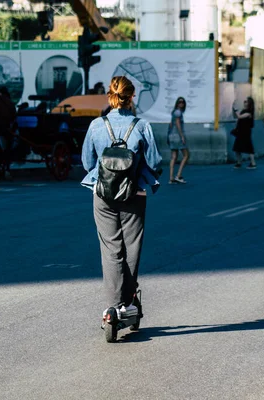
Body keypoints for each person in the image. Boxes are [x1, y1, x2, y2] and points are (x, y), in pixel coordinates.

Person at [81, 76, 162, 320]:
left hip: (103, 194)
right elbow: (156, 162)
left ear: (110, 95)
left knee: (111, 249)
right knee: (132, 248)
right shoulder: (141, 126)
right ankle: (128, 301)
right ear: (132, 96)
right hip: (134, 193)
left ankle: (112, 306)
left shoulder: (96, 125)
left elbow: (87, 162)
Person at [167, 96, 189, 184]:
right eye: (180, 102)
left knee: (174, 157)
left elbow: (170, 125)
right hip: (177, 137)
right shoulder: (178, 113)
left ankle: (171, 177)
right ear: (177, 103)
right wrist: (182, 136)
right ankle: (178, 175)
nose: (181, 104)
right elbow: (178, 124)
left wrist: (169, 136)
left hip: (172, 136)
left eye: (182, 102)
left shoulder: (173, 112)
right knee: (186, 155)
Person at [232, 97, 256, 169]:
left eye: (246, 101)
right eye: (244, 101)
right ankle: (239, 162)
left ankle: (253, 163)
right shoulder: (243, 110)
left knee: (248, 147)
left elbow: (239, 116)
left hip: (246, 132)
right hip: (241, 131)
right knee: (237, 147)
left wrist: (235, 109)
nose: (244, 103)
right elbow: (237, 117)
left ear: (249, 103)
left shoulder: (249, 113)